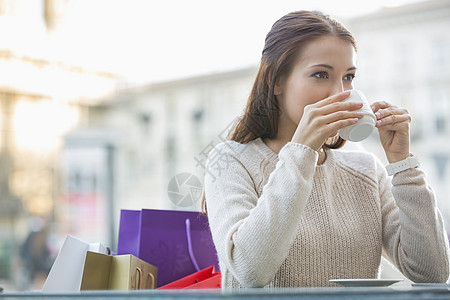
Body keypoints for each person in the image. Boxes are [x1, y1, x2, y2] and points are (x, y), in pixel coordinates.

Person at [203, 10, 450, 288]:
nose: (340, 93)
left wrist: (403, 164)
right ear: (277, 81)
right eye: (321, 74)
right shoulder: (230, 161)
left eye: (349, 77)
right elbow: (250, 271)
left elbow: (432, 272)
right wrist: (301, 151)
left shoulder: (366, 170)